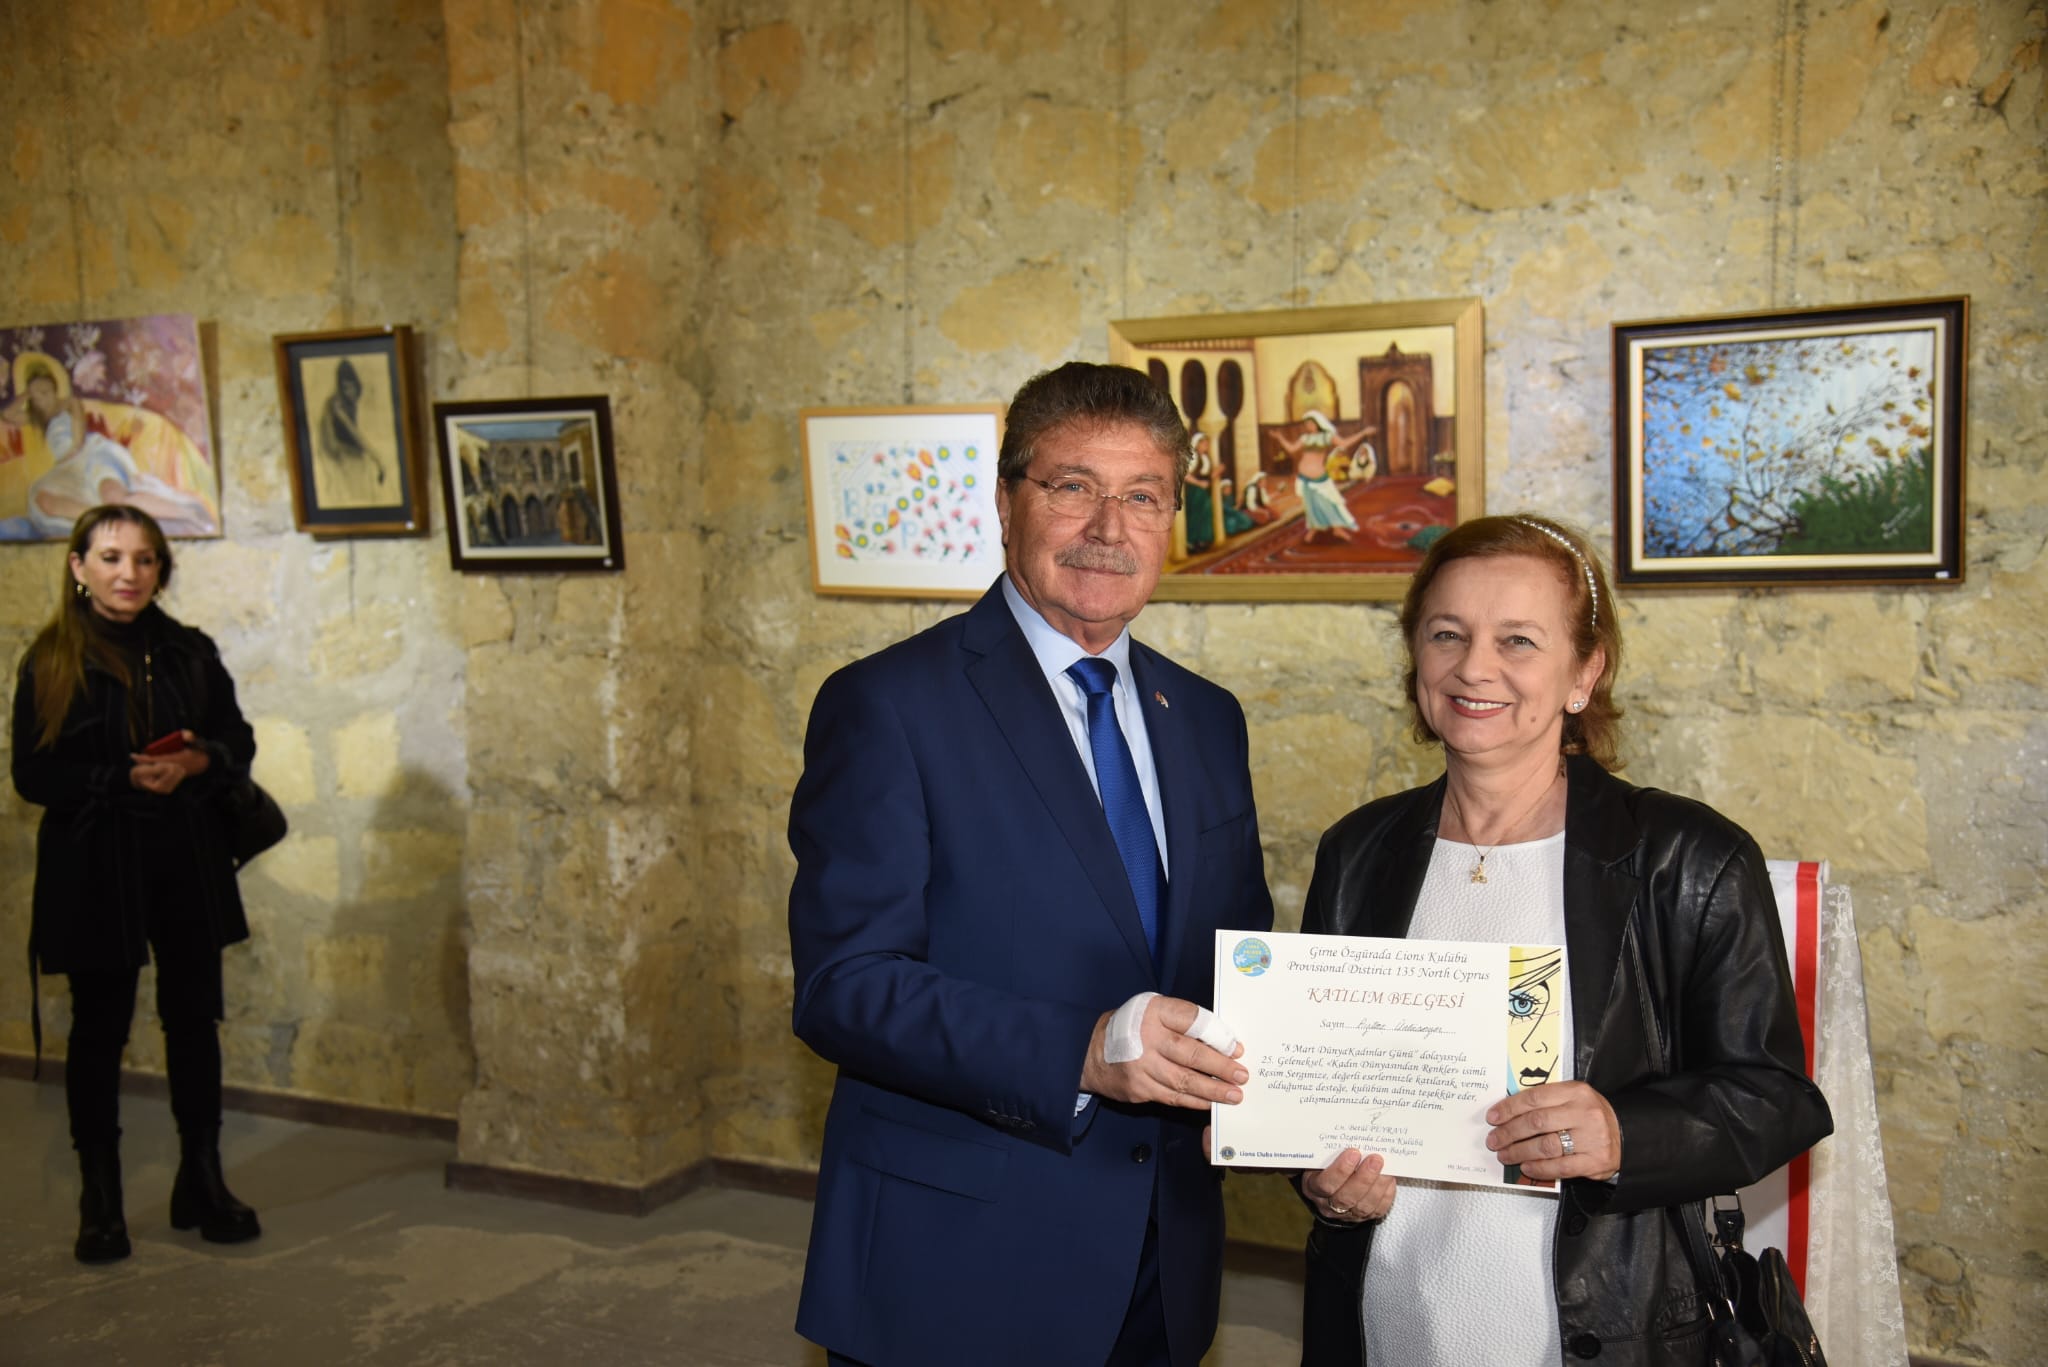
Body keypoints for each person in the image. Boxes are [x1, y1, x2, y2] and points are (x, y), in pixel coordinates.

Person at [788, 362, 1274, 1367]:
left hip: (1163, 1249)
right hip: (960, 1259)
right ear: (1007, 500)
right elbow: (845, 985)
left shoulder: (1206, 717)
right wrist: (1079, 1050)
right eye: (1071, 486)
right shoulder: (887, 705)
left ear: (1171, 520)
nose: (1107, 527)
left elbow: (1237, 953)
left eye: (1142, 496)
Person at [1294, 514, 1832, 1365]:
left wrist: (1624, 1133)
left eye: (1518, 639)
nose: (1475, 666)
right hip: (1385, 1316)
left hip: (1601, 1327)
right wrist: (1325, 1184)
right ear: (1416, 656)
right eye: (1447, 633)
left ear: (1585, 672)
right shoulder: (1358, 851)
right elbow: (1324, 1083)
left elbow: (1777, 1098)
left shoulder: (1690, 857)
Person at [11, 505, 264, 1264]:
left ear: (161, 568)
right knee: (99, 1028)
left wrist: (195, 761)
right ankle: (101, 1198)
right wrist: (116, 777)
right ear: (78, 566)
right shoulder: (50, 659)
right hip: (97, 861)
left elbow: (238, 739)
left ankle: (202, 1178)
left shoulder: (190, 650)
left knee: (194, 1019)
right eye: (112, 557)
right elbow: (33, 774)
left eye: (145, 559)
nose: (130, 573)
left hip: (185, 854)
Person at [6, 362, 216, 537]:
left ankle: (188, 514)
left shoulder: (69, 404)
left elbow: (78, 439)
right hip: (69, 468)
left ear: (55, 390)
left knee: (114, 498)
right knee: (43, 501)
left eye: (45, 392)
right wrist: (25, 396)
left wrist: (71, 455)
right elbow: (8, 415)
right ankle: (104, 518)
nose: (42, 399)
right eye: (36, 395)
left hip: (90, 454)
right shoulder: (37, 417)